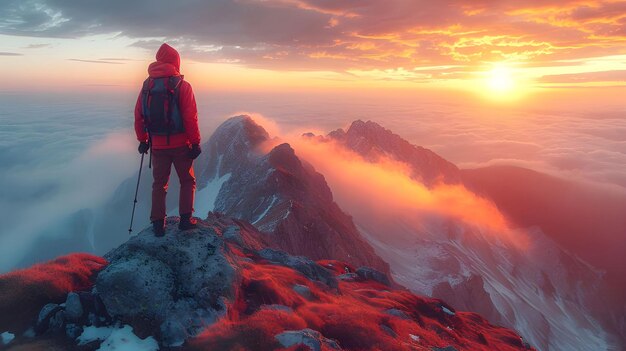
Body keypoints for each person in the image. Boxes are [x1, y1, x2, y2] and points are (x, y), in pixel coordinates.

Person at [134, 43, 202, 236]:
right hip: (181, 144)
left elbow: (138, 114)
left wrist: (142, 139)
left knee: (159, 184)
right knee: (187, 181)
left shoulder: (147, 86)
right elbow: (190, 117)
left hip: (157, 144)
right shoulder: (183, 86)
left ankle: (157, 224)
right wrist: (195, 142)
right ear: (176, 62)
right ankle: (186, 220)